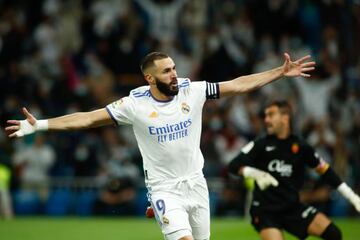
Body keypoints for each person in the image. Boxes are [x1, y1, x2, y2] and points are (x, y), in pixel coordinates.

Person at [6, 52, 315, 240]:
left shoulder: (190, 91)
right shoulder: (134, 104)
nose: (174, 73)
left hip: (196, 184)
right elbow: (87, 118)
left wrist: (279, 73)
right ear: (149, 78)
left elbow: (235, 85)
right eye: (167, 70)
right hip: (164, 189)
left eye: (174, 67)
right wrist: (41, 124)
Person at [228, 100, 360, 240]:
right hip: (265, 211)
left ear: (285, 117)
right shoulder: (260, 144)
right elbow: (233, 166)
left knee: (334, 234)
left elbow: (325, 171)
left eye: (271, 115)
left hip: (292, 207)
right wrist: (255, 173)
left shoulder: (301, 146)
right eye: (265, 116)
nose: (266, 120)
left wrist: (352, 196)